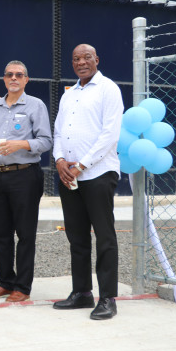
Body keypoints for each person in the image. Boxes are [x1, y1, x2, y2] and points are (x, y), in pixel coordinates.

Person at [52, 44, 123, 320]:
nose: (81, 62)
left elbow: (109, 134)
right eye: (76, 59)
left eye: (86, 58)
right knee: (77, 237)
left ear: (97, 59)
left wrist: (81, 165)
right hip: (69, 176)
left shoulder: (108, 89)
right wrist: (59, 161)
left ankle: (108, 298)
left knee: (104, 237)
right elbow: (59, 131)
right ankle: (82, 292)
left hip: (97, 174)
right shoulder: (70, 94)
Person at [0, 61, 52, 302]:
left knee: (25, 233)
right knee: (0, 233)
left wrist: (21, 144)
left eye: (19, 75)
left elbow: (46, 141)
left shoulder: (35, 105)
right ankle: (6, 282)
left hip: (25, 175)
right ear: (3, 79)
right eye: (9, 74)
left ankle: (22, 287)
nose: (14, 78)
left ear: (26, 80)